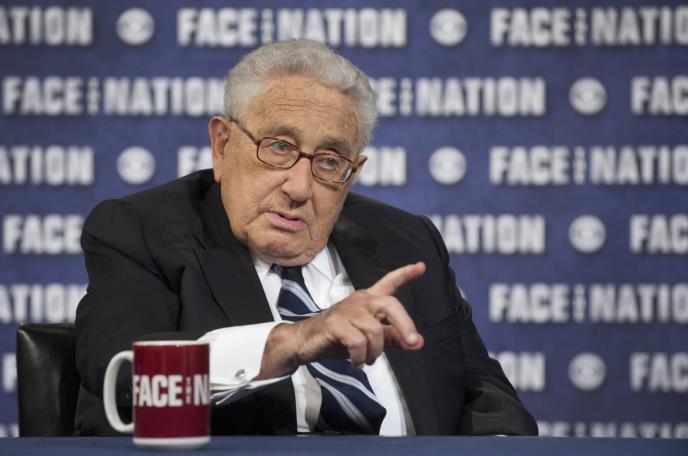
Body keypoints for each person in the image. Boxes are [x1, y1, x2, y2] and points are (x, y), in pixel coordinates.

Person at [74, 40, 538, 436]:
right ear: (222, 145)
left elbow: (481, 389)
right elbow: (125, 373)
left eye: (330, 160)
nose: (299, 188)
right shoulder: (143, 230)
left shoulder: (407, 242)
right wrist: (293, 341)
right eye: (279, 147)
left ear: (353, 172)